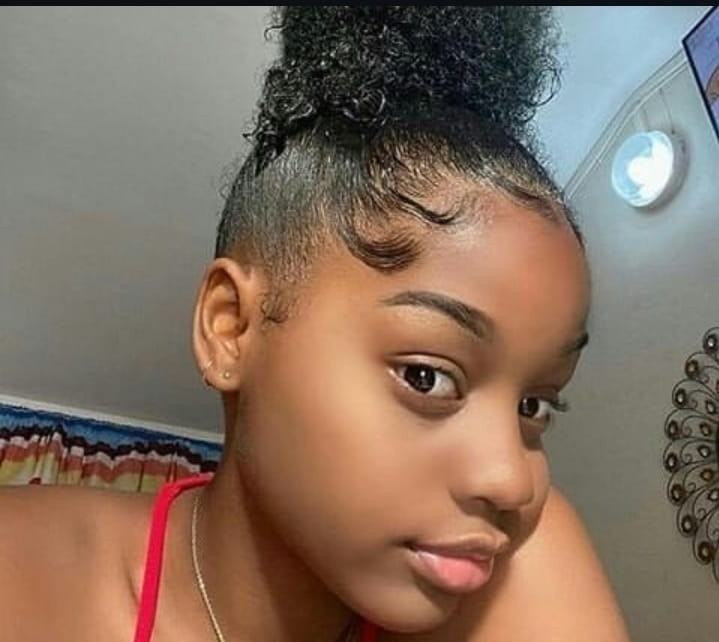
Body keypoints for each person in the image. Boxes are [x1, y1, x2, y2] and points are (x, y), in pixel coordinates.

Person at [0, 6, 631, 642]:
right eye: (426, 376)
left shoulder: (520, 577)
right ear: (231, 328)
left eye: (533, 406)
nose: (512, 481)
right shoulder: (24, 577)